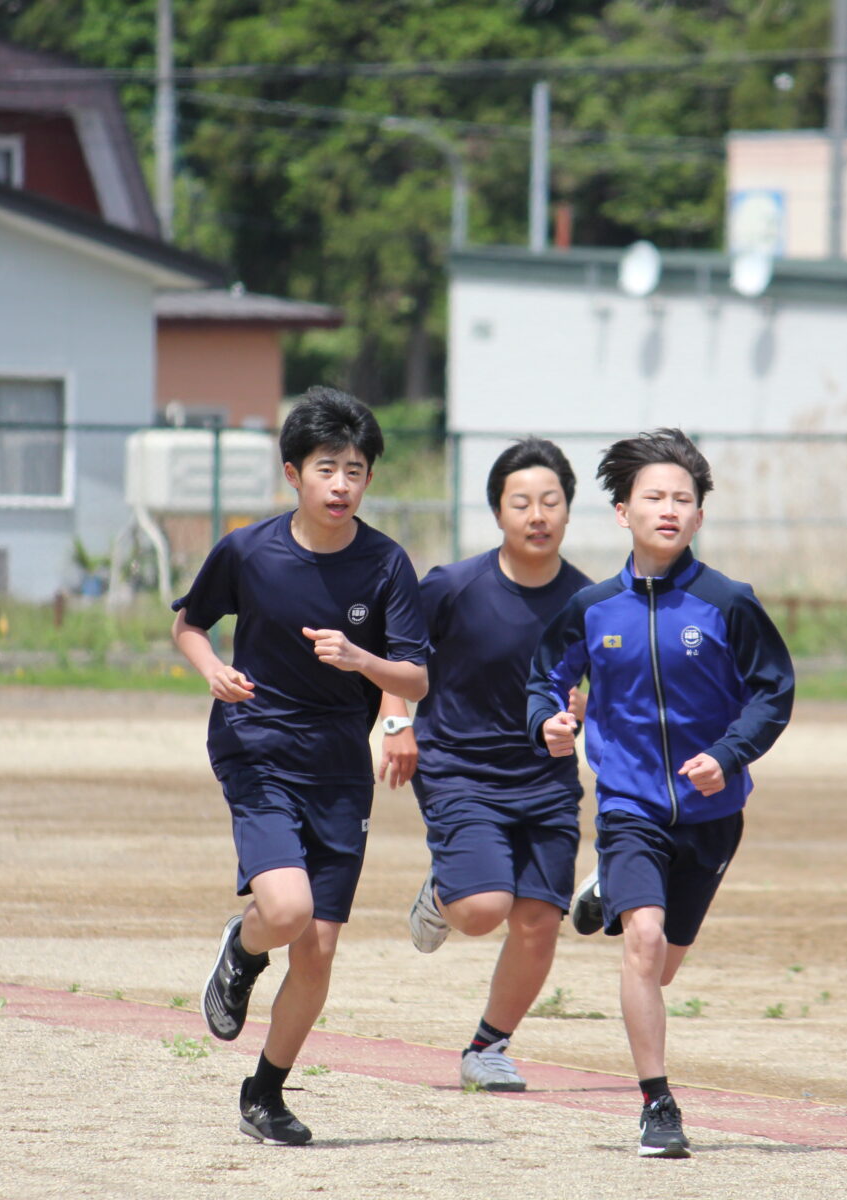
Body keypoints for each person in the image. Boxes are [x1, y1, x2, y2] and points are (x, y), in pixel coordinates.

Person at [526, 428, 794, 1159]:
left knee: (665, 963)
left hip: (713, 815)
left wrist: (730, 754)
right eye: (655, 497)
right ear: (622, 512)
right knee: (641, 943)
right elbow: (547, 676)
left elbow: (774, 691)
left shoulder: (728, 604)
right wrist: (548, 720)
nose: (669, 509)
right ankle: (657, 1105)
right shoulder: (590, 606)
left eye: (684, 499)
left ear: (700, 517)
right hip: (629, 806)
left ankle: (608, 886)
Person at [173, 387, 428, 1147]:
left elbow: (414, 678)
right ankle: (244, 947)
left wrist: (363, 661)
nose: (342, 484)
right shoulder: (250, 550)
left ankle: (266, 1093)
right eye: (327, 468)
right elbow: (189, 623)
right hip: (255, 745)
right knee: (284, 914)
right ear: (294, 474)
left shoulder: (386, 564)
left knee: (317, 946)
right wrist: (212, 667)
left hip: (337, 765)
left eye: (355, 469)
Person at [378, 437, 591, 1093]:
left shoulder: (590, 601)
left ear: (567, 510)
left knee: (537, 922)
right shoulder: (453, 585)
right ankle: (444, 894)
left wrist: (577, 713)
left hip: (546, 780)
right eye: (521, 502)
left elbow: (601, 689)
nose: (537, 514)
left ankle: (488, 1047)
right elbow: (401, 649)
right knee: (482, 908)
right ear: (498, 512)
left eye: (550, 501)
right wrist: (395, 721)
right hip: (459, 767)